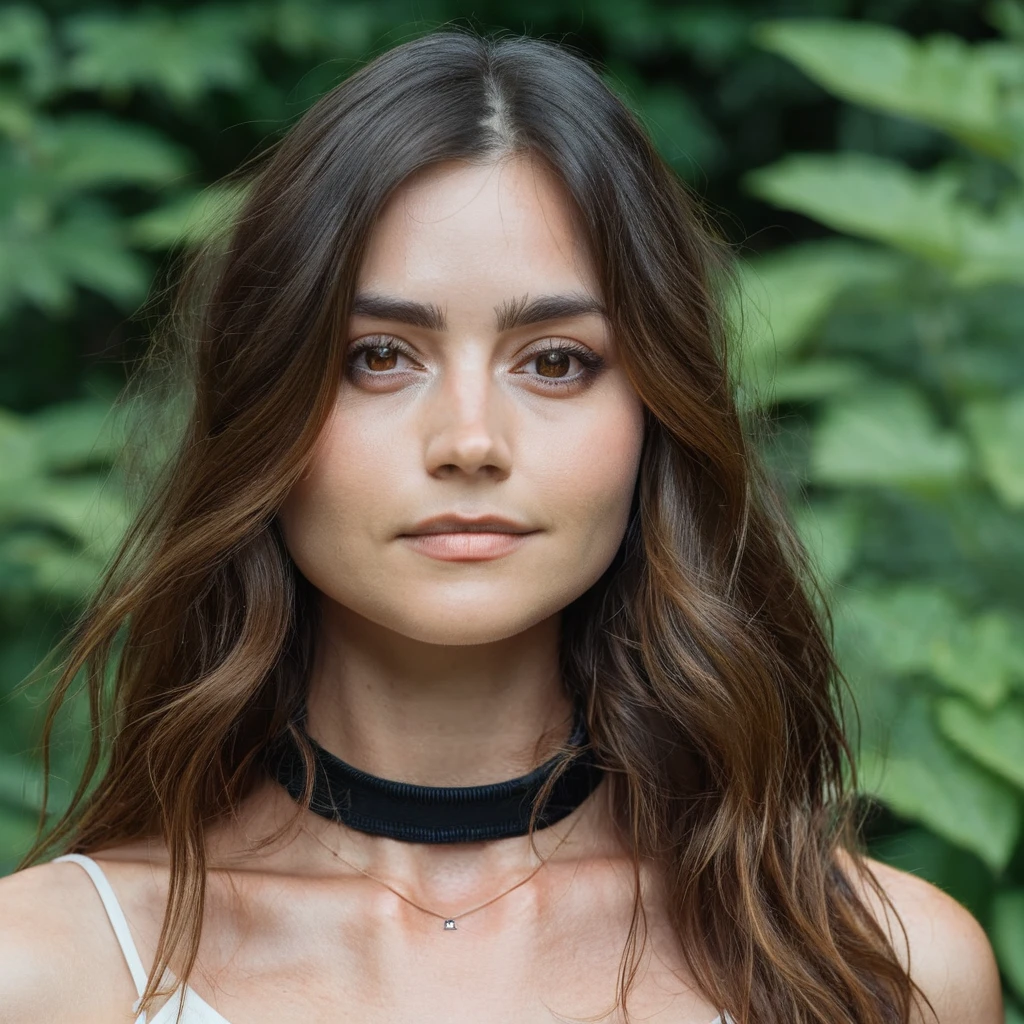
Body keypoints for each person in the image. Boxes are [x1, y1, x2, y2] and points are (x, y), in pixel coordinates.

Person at [0, 27, 1003, 1024]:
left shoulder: (878, 972)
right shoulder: (47, 974)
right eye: (379, 356)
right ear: (262, 407)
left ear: (655, 415)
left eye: (556, 360)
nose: (470, 439)